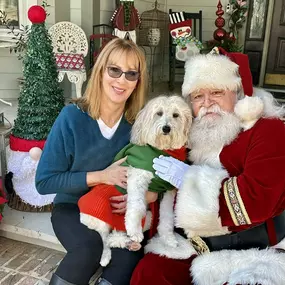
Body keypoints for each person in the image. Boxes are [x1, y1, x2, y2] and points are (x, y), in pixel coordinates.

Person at [131, 49, 285, 285]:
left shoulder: (269, 130)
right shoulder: (190, 132)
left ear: (239, 94)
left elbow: (256, 198)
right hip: (192, 245)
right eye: (197, 96)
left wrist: (189, 179)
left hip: (253, 251)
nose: (207, 103)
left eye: (216, 92)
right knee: (150, 272)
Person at [36, 37, 148, 285]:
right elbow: (44, 182)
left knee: (129, 256)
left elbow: (151, 177)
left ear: (138, 82)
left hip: (114, 211)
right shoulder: (72, 118)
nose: (122, 80)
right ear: (100, 72)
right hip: (71, 208)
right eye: (114, 70)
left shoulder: (138, 126)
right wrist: (102, 176)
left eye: (131, 74)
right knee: (89, 249)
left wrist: (140, 197)